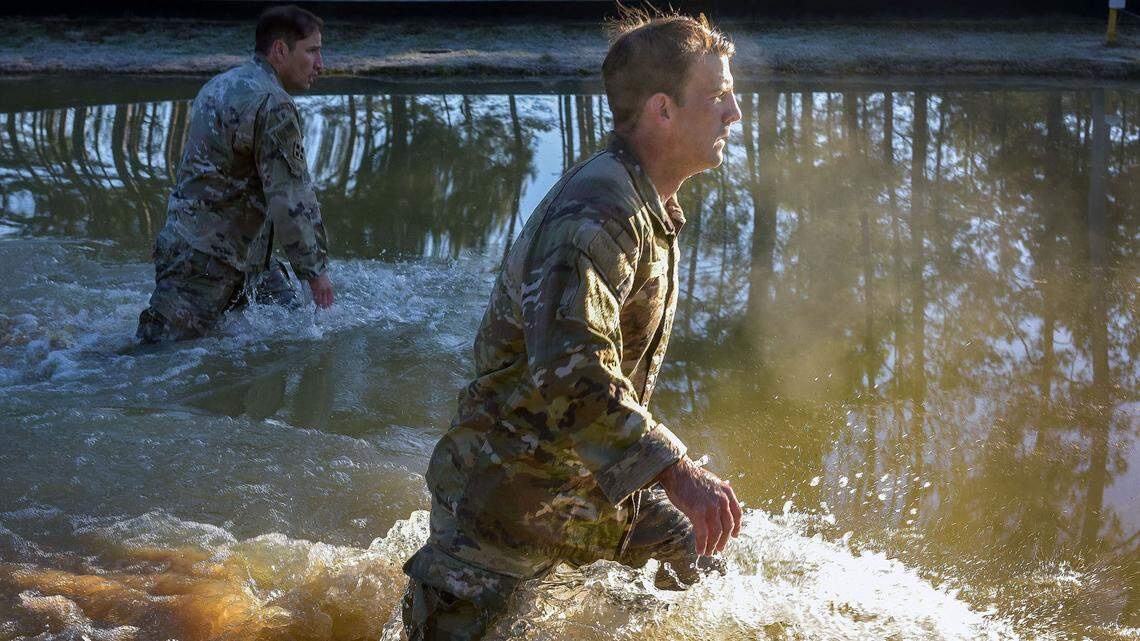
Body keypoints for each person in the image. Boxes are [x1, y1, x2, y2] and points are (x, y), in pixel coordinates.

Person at [402, 11, 744, 640]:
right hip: (503, 499)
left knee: (700, 565)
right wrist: (677, 470)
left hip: (584, 485)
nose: (734, 113)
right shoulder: (596, 213)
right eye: (718, 96)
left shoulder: (646, 199)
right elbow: (574, 368)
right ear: (663, 110)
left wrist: (659, 474)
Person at [136, 4, 333, 343]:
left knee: (296, 332)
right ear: (281, 51)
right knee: (154, 355)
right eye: (312, 51)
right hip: (208, 264)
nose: (321, 64)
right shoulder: (274, 104)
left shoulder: (220, 85)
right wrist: (315, 272)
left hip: (211, 252)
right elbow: (290, 197)